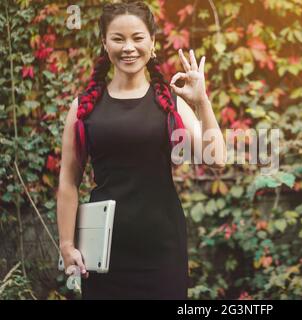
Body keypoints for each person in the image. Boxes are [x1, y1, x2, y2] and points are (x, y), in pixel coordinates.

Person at [56, 1, 226, 299]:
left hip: (162, 250)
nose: (129, 48)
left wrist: (203, 102)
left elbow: (218, 161)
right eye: (118, 39)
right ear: (104, 44)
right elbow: (68, 182)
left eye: (137, 38)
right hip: (103, 254)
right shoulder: (83, 108)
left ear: (153, 42)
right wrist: (67, 245)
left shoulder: (171, 104)